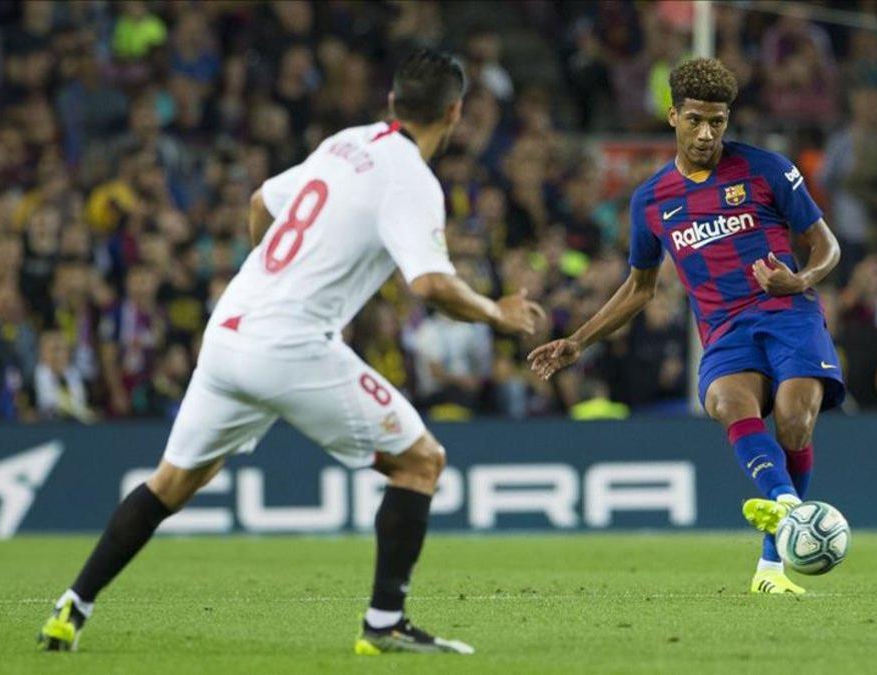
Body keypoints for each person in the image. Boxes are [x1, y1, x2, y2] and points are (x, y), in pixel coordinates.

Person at [38, 49, 544, 656]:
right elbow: (431, 285)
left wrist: (276, 284)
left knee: (171, 483)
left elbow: (260, 203)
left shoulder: (345, 143)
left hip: (229, 332)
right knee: (421, 463)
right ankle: (384, 624)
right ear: (455, 113)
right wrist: (497, 311)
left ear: (391, 101)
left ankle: (72, 607)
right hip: (289, 346)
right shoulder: (411, 178)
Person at [528, 58, 842, 595]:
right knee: (726, 403)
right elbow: (640, 288)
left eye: (717, 122)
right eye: (695, 119)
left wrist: (802, 278)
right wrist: (577, 340)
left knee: (794, 421)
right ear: (673, 115)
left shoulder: (766, 169)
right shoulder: (652, 201)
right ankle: (790, 509)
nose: (706, 133)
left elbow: (827, 245)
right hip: (723, 330)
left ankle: (772, 562)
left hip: (789, 314)